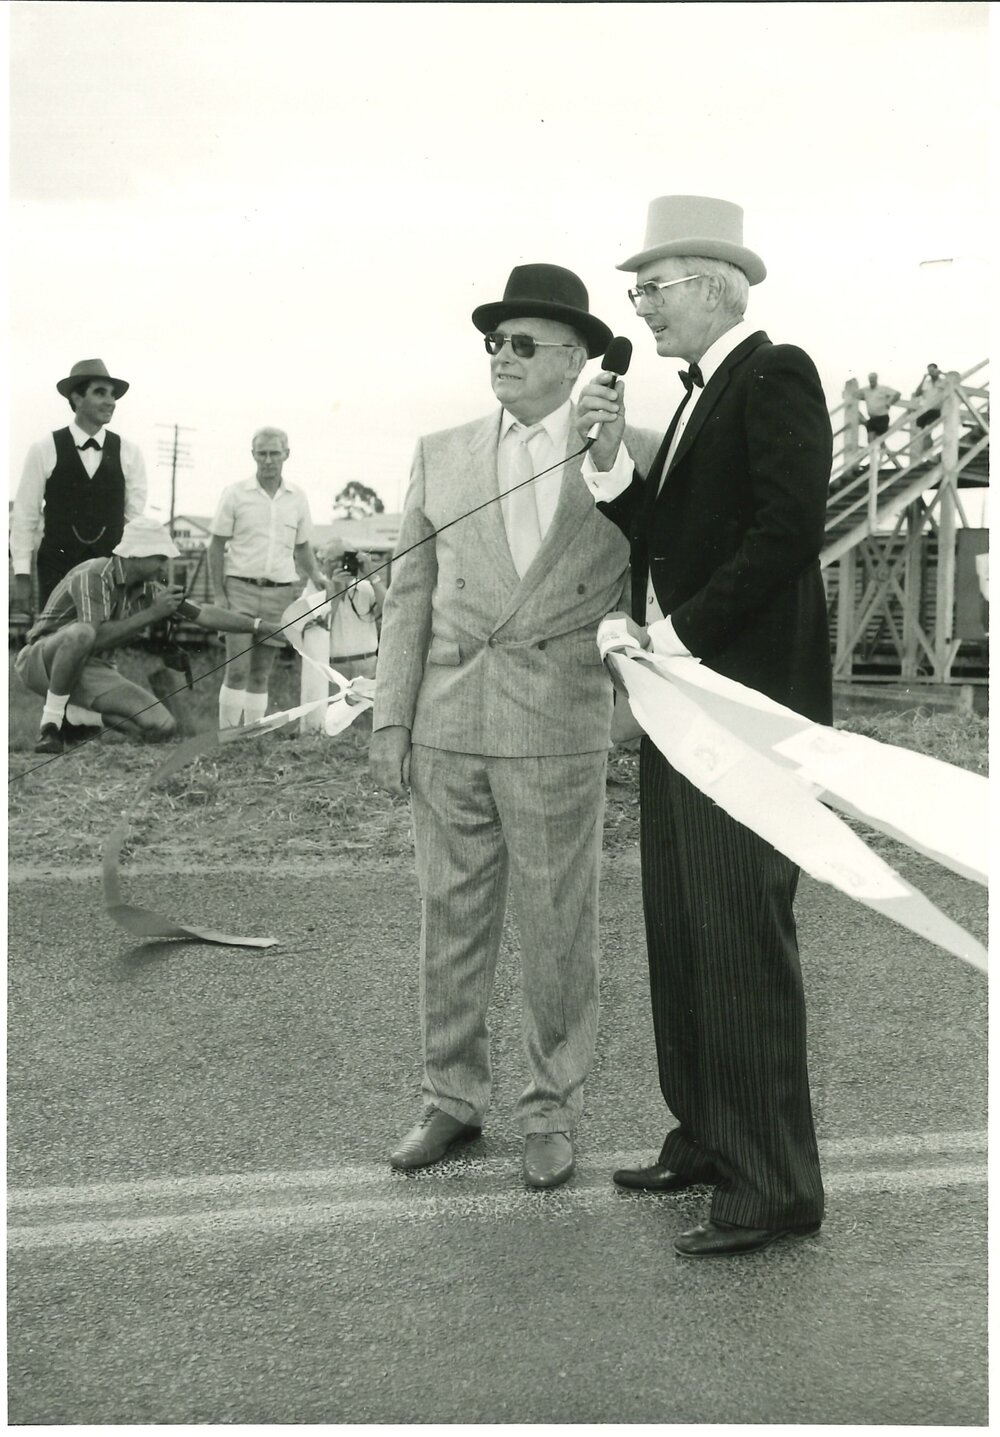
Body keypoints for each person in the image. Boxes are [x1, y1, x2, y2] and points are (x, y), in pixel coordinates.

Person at [575, 195, 833, 1257]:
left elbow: (784, 529)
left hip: (742, 708)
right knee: (685, 931)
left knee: (736, 939)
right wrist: (606, 467)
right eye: (636, 291)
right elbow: (671, 535)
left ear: (714, 285)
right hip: (687, 701)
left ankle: (773, 1185)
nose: (639, 309)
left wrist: (675, 636)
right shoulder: (696, 396)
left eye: (652, 289)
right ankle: (708, 1136)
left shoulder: (775, 371)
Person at [370, 263, 659, 1190]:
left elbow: (658, 582)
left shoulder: (634, 453)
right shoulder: (440, 450)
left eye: (525, 343)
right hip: (448, 724)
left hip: (558, 722)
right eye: (493, 342)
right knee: (449, 921)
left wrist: (637, 704)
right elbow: (407, 595)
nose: (502, 356)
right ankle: (449, 1099)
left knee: (558, 926)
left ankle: (550, 1108)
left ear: (579, 360)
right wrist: (390, 720)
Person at [15, 517, 270, 755]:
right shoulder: (95, 574)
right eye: (159, 557)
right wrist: (153, 613)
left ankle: (80, 717)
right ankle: (50, 724)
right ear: (136, 554)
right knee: (81, 633)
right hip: (43, 660)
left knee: (161, 725)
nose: (164, 564)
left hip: (93, 667)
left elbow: (202, 613)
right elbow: (93, 637)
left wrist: (258, 625)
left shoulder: (149, 588)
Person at [207, 427, 333, 728]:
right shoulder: (235, 493)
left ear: (286, 454)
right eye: (261, 453)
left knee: (261, 672)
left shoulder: (297, 497)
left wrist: (316, 574)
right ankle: (227, 735)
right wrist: (220, 594)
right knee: (236, 669)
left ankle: (252, 736)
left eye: (274, 453)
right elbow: (215, 545)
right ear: (253, 455)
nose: (268, 460)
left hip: (280, 594)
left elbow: (302, 546)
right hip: (239, 591)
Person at [10, 359, 148, 610]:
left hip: (110, 569)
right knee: (56, 642)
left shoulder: (130, 452)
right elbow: (25, 514)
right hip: (57, 567)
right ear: (76, 397)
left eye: (112, 394)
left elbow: (134, 519)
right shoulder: (44, 448)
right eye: (100, 392)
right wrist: (21, 574)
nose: (111, 401)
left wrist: (134, 572)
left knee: (102, 642)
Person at [315, 537, 386, 680]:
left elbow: (391, 610)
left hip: (368, 666)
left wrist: (371, 575)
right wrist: (335, 591)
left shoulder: (366, 588)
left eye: (347, 558)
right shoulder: (315, 590)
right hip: (333, 669)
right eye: (337, 559)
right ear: (323, 563)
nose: (342, 564)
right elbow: (318, 628)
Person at [859, 371, 901, 441]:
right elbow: (855, 394)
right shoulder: (866, 390)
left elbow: (898, 394)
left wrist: (889, 402)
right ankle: (873, 452)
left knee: (879, 440)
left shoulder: (883, 388)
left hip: (882, 418)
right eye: (870, 378)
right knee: (870, 440)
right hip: (872, 418)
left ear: (876, 379)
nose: (871, 380)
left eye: (873, 378)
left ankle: (882, 451)